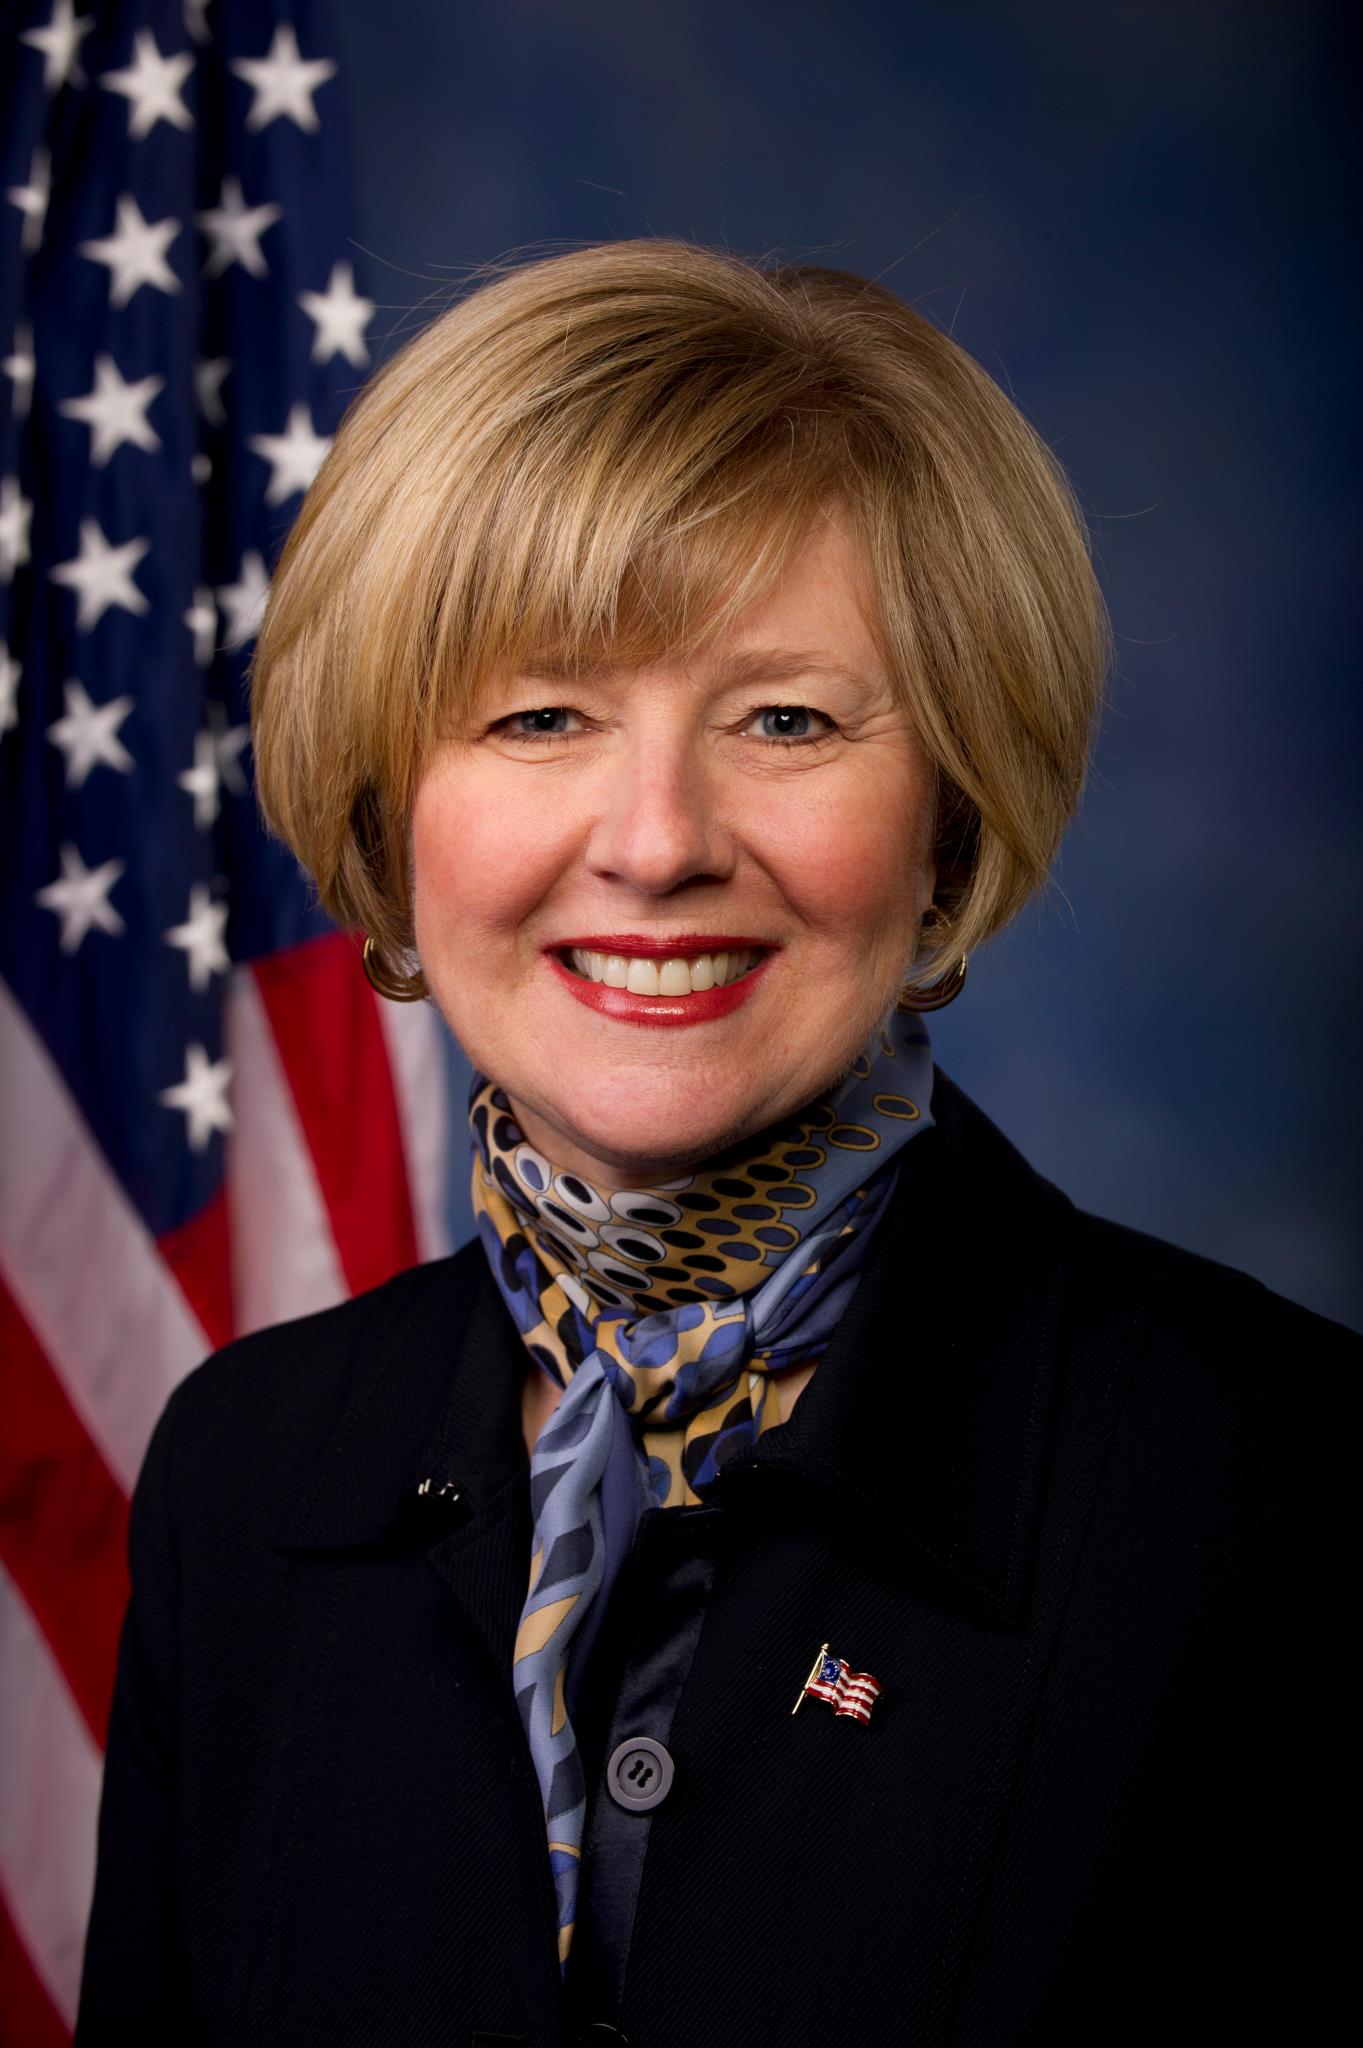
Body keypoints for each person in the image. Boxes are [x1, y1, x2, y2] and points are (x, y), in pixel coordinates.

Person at [75, 240, 1351, 2047]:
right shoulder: (249, 1472)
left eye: (785, 719)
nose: (658, 840)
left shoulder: (1274, 1485)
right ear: (389, 813)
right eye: (540, 715)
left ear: (949, 817)